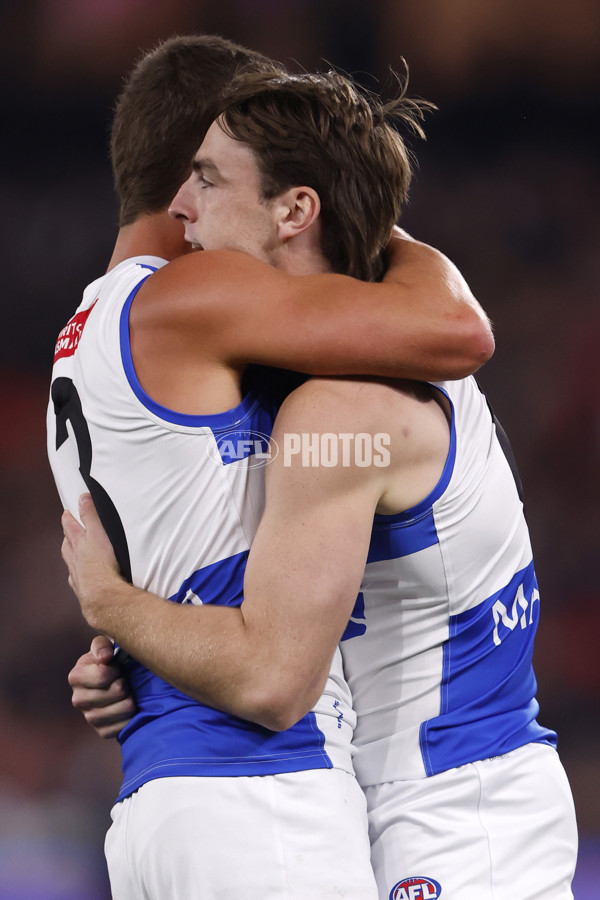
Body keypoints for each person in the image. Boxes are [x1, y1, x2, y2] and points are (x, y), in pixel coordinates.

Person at [62, 69, 578, 899]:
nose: (181, 208)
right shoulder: (359, 345)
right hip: (420, 794)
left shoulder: (343, 407)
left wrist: (113, 604)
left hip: (451, 814)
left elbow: (270, 677)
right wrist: (141, 660)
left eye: (207, 179)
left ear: (296, 210)